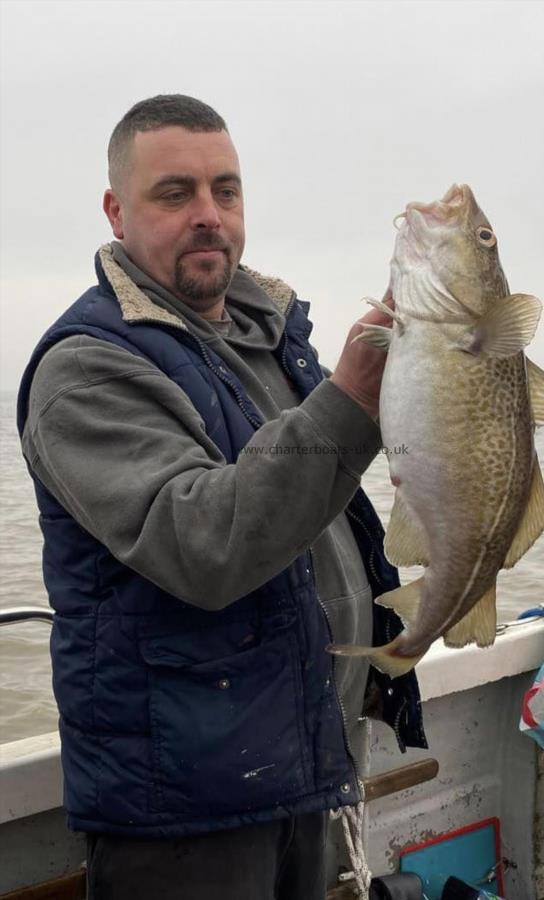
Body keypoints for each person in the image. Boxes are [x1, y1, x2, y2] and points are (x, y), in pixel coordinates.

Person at [17, 94, 426, 900]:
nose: (209, 215)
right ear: (115, 210)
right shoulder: (86, 368)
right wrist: (349, 398)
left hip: (305, 760)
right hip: (185, 813)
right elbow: (203, 544)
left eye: (225, 191)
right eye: (175, 194)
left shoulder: (271, 336)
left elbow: (318, 494)